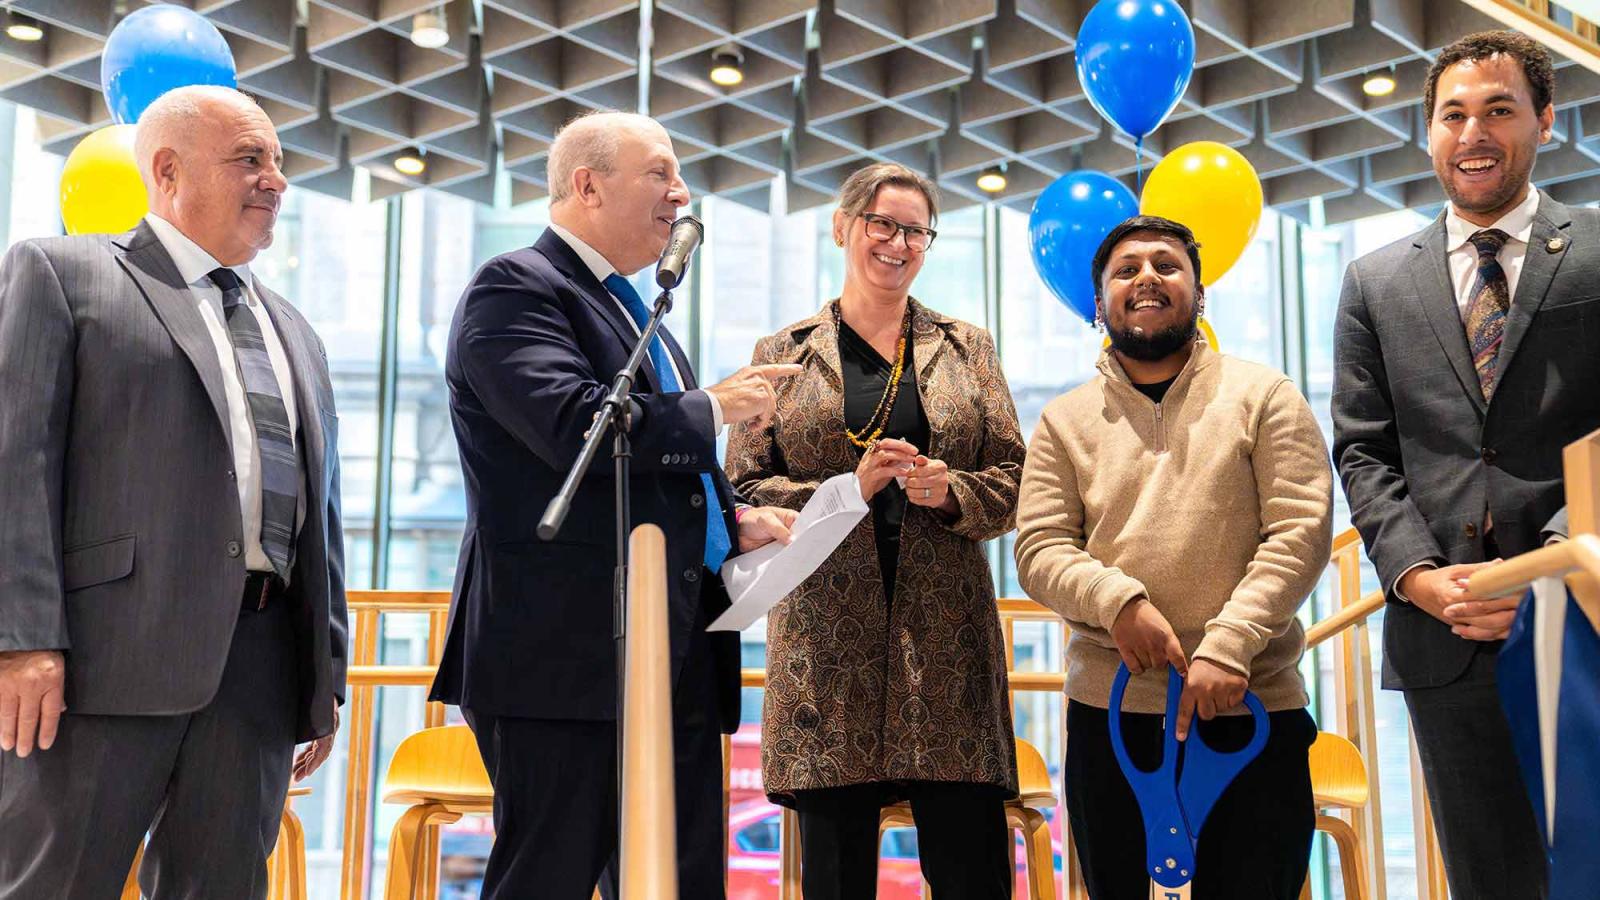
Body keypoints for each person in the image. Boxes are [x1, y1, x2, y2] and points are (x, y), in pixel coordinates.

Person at [428, 110, 800, 900]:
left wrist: (732, 524)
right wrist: (710, 410)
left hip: (677, 649)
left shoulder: (638, 311)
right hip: (565, 653)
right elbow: (575, 428)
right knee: (550, 876)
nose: (680, 192)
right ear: (588, 186)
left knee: (679, 880)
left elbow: (648, 473)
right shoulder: (517, 287)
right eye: (659, 172)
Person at [0, 85, 346, 898]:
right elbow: (16, 464)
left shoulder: (296, 327)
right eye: (249, 159)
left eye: (279, 161)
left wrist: (321, 669)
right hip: (101, 662)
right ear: (167, 170)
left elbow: (318, 512)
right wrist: (21, 638)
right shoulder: (63, 273)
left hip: (259, 671)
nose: (275, 180)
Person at [1332, 30, 1597, 898]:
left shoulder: (1596, 249)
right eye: (1453, 115)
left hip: (1584, 615)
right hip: (1442, 634)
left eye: (1498, 110)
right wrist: (1415, 575)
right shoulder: (1374, 282)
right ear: (1429, 131)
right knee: (1489, 880)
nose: (1473, 133)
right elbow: (1364, 448)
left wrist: (1546, 571)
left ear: (1545, 121)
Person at [725, 162, 1027, 900]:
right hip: (828, 649)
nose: (898, 242)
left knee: (970, 872)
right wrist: (845, 491)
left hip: (948, 645)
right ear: (844, 227)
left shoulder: (968, 349)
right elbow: (740, 491)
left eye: (915, 230)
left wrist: (949, 489)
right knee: (835, 877)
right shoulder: (782, 352)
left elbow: (1016, 477)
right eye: (882, 224)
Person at [1015, 215, 1333, 899]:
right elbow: (1039, 548)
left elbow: (1300, 532)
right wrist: (1118, 604)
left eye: (1167, 264)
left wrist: (1229, 645)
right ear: (1099, 304)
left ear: (1199, 292)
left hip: (1252, 708)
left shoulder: (1264, 396)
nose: (1147, 278)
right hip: (1112, 719)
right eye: (1126, 270)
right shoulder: (1063, 421)